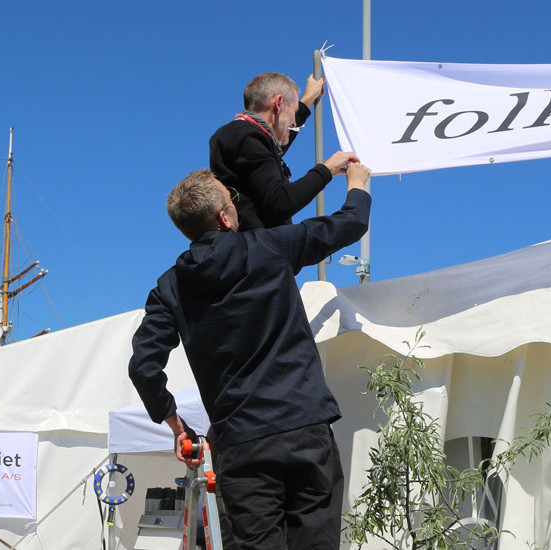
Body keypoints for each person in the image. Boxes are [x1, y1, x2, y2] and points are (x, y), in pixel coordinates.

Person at [128, 162, 372, 549]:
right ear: (225, 217)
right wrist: (357, 185)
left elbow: (143, 367)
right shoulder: (270, 248)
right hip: (303, 426)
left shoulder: (170, 287)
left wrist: (178, 428)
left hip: (241, 443)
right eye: (233, 200)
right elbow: (351, 223)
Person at [209, 71, 360, 230]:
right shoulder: (247, 137)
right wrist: (327, 169)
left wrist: (307, 100)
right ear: (278, 102)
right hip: (259, 249)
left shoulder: (242, 136)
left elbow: (272, 149)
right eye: (294, 112)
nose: (294, 122)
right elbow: (280, 203)